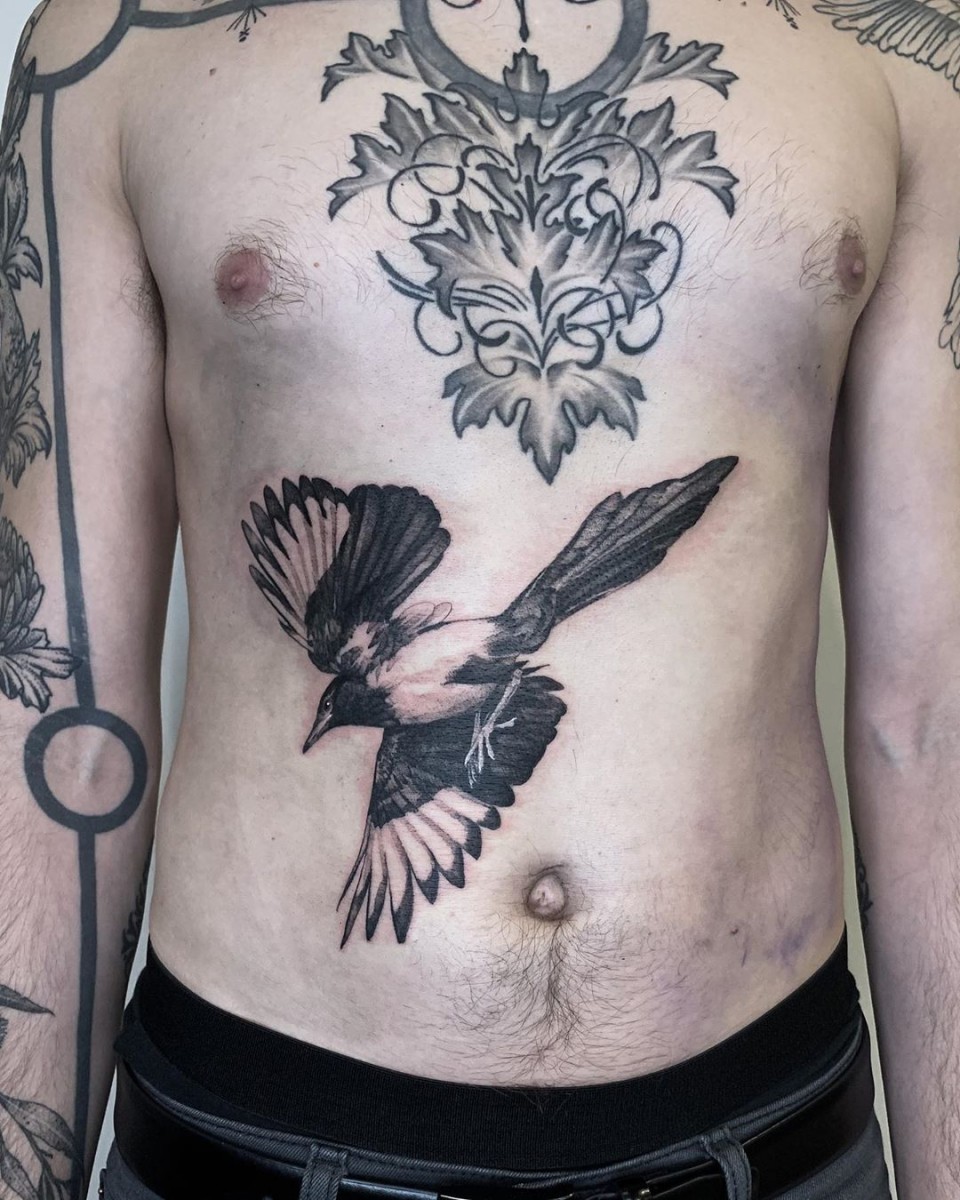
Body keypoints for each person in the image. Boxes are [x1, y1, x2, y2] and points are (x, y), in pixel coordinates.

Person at [0, 0, 957, 1196]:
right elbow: (56, 715)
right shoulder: (116, 46)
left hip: (767, 1134)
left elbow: (932, 723)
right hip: (260, 1136)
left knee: (593, 558)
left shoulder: (894, 52)